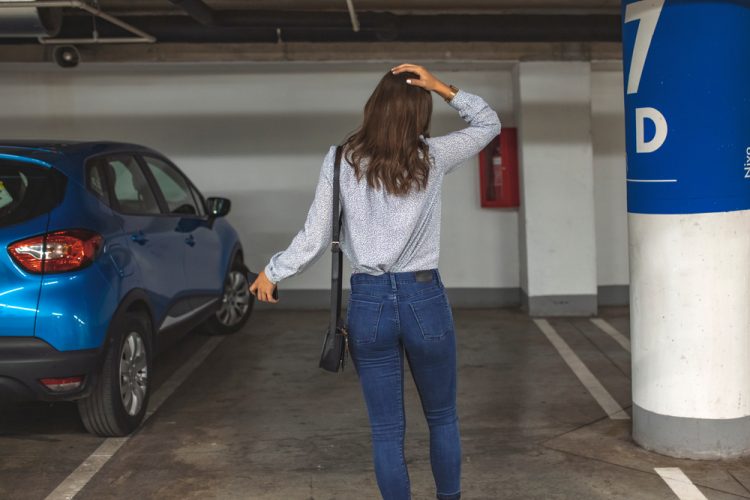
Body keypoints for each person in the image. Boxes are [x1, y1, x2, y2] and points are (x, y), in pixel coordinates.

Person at [250, 64, 501, 500]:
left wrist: (273, 271)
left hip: (369, 304)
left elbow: (315, 235)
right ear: (417, 112)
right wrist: (441, 87)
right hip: (424, 297)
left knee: (386, 431)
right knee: (442, 418)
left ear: (374, 108)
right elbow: (488, 123)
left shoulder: (340, 160)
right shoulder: (433, 157)